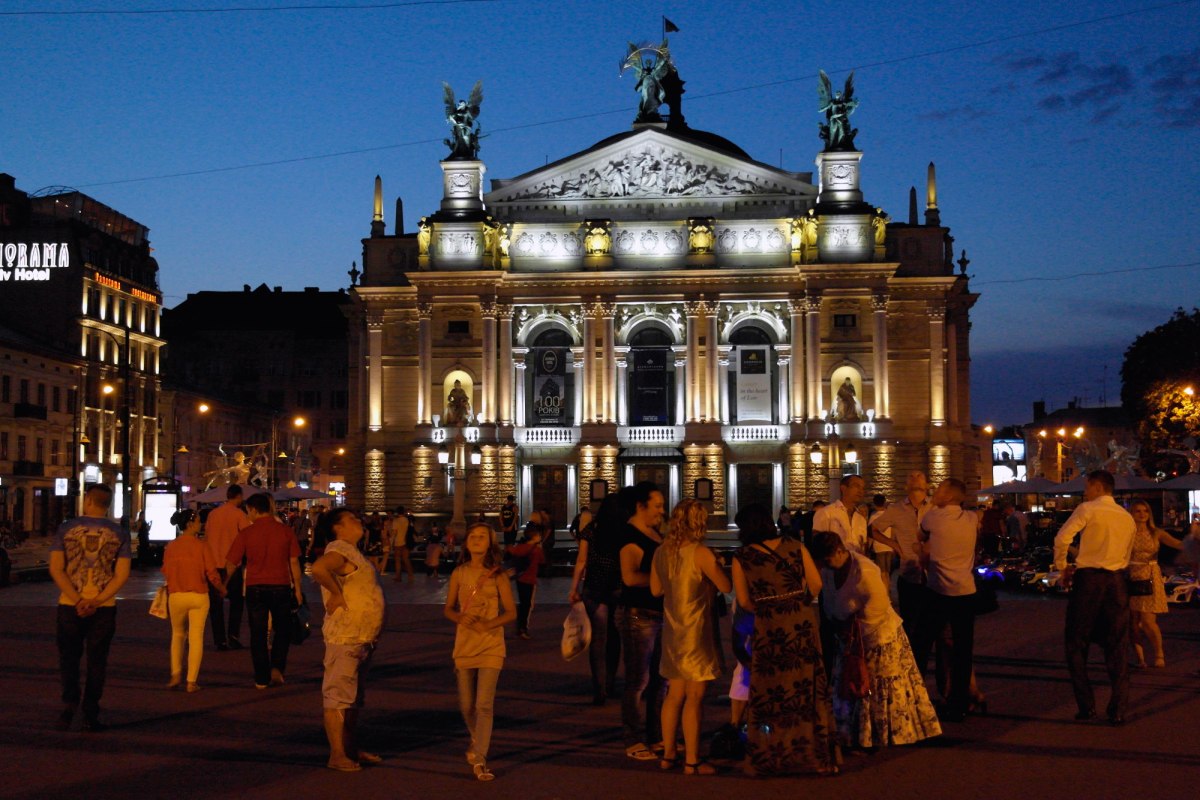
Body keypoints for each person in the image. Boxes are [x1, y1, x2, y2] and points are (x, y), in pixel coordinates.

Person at [731, 503, 840, 776]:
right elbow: (815, 584)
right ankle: (816, 754)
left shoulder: (742, 556)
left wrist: (768, 607)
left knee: (770, 691)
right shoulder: (794, 546)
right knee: (806, 687)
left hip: (769, 626)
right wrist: (796, 603)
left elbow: (743, 600)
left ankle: (770, 754)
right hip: (800, 622)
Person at [808, 532, 941, 749]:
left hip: (876, 637)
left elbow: (878, 608)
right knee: (851, 685)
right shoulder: (829, 570)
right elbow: (829, 601)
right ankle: (851, 735)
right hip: (848, 637)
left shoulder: (865, 571)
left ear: (840, 551)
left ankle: (878, 735)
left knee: (875, 688)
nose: (825, 565)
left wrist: (852, 628)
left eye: (828, 560)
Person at [650, 498, 732, 775]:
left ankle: (669, 753)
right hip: (696, 630)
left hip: (672, 629)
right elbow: (725, 585)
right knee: (695, 696)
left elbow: (655, 590)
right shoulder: (700, 553)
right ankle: (693, 759)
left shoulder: (662, 552)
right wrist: (717, 565)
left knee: (674, 694)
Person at [1054, 470, 1137, 724]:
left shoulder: (1087, 509)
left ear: (1098, 487)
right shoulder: (1127, 518)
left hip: (1089, 580)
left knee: (1077, 642)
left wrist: (1061, 567)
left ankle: (1086, 704)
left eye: (1087, 487)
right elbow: (1128, 554)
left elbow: (1062, 538)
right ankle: (1118, 708)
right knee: (1118, 644)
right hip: (1117, 581)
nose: (1085, 492)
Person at [49, 484, 130, 732]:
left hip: (69, 605)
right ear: (107, 504)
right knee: (97, 661)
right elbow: (122, 574)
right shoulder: (119, 533)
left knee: (69, 659)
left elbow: (56, 568)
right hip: (103, 606)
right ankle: (90, 711)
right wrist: (96, 600)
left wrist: (77, 598)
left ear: (88, 500)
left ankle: (69, 706)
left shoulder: (66, 529)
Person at [311, 509, 386, 772]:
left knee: (352, 698)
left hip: (361, 638)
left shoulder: (353, 552)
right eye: (352, 519)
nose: (359, 521)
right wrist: (334, 593)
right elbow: (319, 568)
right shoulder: (338, 549)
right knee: (338, 697)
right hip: (345, 636)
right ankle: (337, 754)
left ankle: (350, 748)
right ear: (338, 528)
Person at [444, 522, 517, 781]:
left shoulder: (498, 575)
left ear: (490, 544)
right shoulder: (459, 573)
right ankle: (477, 737)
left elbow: (511, 612)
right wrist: (458, 618)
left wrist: (489, 623)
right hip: (464, 644)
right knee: (466, 705)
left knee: (483, 705)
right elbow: (448, 608)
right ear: (466, 543)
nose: (476, 540)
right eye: (472, 536)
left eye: (482, 537)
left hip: (491, 645)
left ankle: (480, 757)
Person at [910, 478, 978, 722]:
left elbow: (920, 535)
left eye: (939, 490)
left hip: (938, 590)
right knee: (963, 649)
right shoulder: (972, 519)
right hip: (966, 591)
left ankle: (913, 695)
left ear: (948, 496)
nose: (934, 492)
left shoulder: (932, 517)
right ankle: (959, 701)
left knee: (921, 643)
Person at [225, 492, 304, 689]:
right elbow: (294, 562)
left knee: (258, 634)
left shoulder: (246, 533)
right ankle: (277, 667)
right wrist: (298, 589)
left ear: (253, 509)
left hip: (255, 587)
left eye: (247, 511)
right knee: (282, 630)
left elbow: (231, 563)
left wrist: (224, 583)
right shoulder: (285, 531)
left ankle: (261, 677)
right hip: (281, 585)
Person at [618, 482, 667, 761]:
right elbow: (629, 577)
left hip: (659, 614)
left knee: (660, 680)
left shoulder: (654, 533)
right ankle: (633, 739)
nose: (662, 510)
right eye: (657, 505)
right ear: (641, 506)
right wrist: (664, 581)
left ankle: (656, 735)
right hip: (638, 615)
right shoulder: (630, 536)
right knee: (638, 681)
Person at [567, 493, 625, 705]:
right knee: (614, 637)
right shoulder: (625, 531)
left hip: (595, 588)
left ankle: (599, 688)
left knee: (598, 640)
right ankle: (610, 682)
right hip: (618, 589)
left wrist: (574, 588)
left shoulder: (590, 530)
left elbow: (581, 560)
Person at [161, 508, 225, 693]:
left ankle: (175, 674)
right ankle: (191, 681)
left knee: (177, 635)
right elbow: (211, 573)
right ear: (190, 524)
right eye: (198, 521)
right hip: (199, 595)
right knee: (196, 638)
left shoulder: (171, 546)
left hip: (176, 595)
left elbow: (166, 570)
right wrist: (221, 588)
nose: (201, 524)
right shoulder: (202, 545)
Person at [869, 472, 931, 637]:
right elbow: (873, 530)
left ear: (927, 485)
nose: (916, 476)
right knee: (910, 625)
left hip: (934, 576)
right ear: (906, 486)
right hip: (909, 574)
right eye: (911, 476)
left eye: (920, 475)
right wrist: (893, 544)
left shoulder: (935, 508)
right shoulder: (896, 509)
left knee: (932, 627)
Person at [1126, 500, 1182, 668]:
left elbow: (1178, 544)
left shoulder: (1156, 532)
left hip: (1150, 576)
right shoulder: (1126, 533)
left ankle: (1159, 653)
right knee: (1133, 622)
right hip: (1131, 576)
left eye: (1145, 511)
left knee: (1148, 620)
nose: (1142, 514)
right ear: (1131, 513)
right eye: (1137, 511)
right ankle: (1140, 659)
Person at [204, 484, 251, 650]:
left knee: (216, 605)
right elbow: (247, 537)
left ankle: (219, 640)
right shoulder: (239, 514)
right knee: (236, 602)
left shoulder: (213, 514)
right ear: (238, 496)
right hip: (233, 564)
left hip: (214, 564)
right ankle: (233, 635)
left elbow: (207, 537)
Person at [507, 522, 546, 639]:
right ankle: (523, 628)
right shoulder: (537, 550)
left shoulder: (520, 547)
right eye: (538, 535)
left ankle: (519, 626)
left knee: (522, 603)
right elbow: (543, 561)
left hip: (520, 578)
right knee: (527, 604)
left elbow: (511, 551)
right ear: (534, 537)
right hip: (530, 579)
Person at [813, 475, 869, 554]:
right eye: (856, 486)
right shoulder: (826, 513)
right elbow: (817, 543)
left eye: (863, 488)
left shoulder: (861, 518)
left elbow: (863, 545)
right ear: (843, 488)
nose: (861, 491)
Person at [389, 506, 414, 583]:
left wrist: (391, 544)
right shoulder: (407, 520)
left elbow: (394, 533)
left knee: (397, 561)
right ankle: (410, 576)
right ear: (403, 512)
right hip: (405, 542)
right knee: (406, 560)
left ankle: (398, 576)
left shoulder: (395, 521)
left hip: (397, 543)